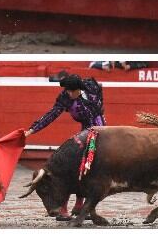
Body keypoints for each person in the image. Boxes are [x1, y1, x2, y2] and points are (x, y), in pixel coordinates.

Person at [24, 74, 105, 221]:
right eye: (67, 90)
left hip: (100, 132)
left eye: (71, 91)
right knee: (74, 168)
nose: (68, 93)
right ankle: (66, 208)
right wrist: (32, 130)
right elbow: (52, 114)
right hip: (86, 132)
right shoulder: (66, 97)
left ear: (78, 90)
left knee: (89, 167)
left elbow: (99, 108)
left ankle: (79, 205)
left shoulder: (92, 90)